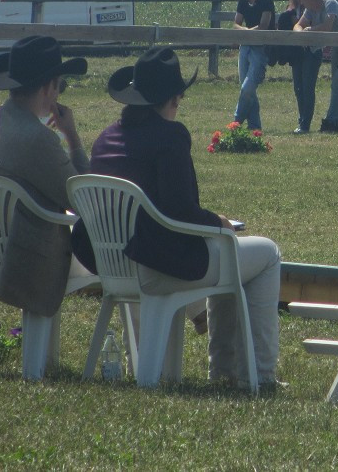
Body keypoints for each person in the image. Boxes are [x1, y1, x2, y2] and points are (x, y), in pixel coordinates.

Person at [88, 47, 281, 388]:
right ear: (174, 100)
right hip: (160, 266)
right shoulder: (171, 136)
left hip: (113, 267)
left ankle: (226, 369)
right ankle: (254, 373)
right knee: (265, 253)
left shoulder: (105, 139)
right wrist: (219, 222)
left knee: (226, 254)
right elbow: (180, 209)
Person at [0, 35, 92, 318]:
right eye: (59, 85)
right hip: (28, 258)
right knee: (117, 249)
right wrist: (73, 138)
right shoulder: (37, 139)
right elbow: (84, 200)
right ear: (48, 86)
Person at [295, 0, 338, 133]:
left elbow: (327, 27)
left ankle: (331, 121)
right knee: (337, 84)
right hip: (336, 45)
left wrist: (309, 30)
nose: (301, 2)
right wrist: (301, 32)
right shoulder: (309, 9)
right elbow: (298, 25)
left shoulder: (330, 3)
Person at [232, 0, 275, 132]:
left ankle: (236, 122)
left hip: (261, 47)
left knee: (247, 88)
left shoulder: (266, 1)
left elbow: (264, 25)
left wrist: (246, 32)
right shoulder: (243, 0)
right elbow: (236, 23)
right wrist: (245, 32)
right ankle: (255, 126)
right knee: (246, 87)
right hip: (245, 46)